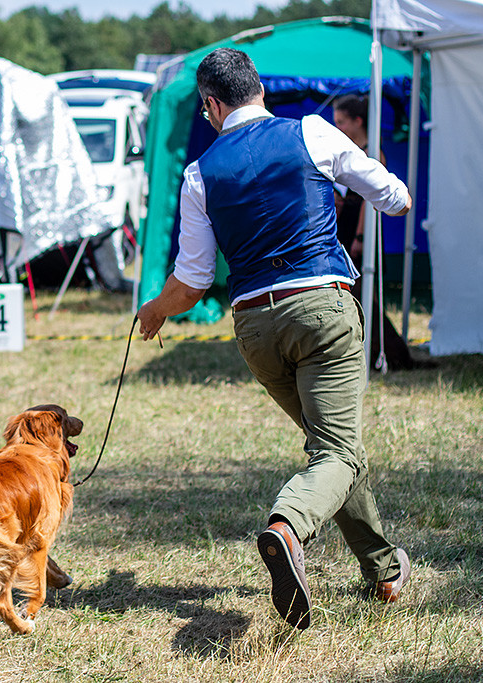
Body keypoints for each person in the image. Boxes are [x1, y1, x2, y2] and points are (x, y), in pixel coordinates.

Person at [135, 48, 412, 630]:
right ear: (259, 89)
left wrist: (156, 311)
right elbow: (390, 196)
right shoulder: (312, 130)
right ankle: (287, 527)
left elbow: (191, 282)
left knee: (333, 449)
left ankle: (384, 572)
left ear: (211, 104)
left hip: (256, 328)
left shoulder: (199, 173)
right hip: (324, 310)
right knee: (336, 452)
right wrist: (391, 194)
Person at [332, 93, 424, 370]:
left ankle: (392, 354)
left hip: (362, 233)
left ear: (357, 121)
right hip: (348, 230)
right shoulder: (350, 151)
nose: (337, 127)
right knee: (356, 296)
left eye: (341, 122)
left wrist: (360, 237)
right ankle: (373, 351)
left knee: (364, 297)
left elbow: (369, 205)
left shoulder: (373, 152)